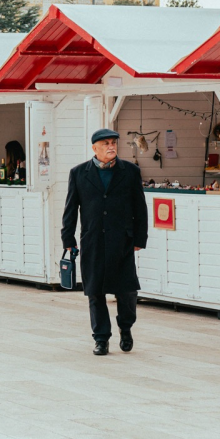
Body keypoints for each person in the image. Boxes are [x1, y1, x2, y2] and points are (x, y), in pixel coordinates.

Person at [61, 128, 148, 356]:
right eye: (106, 143)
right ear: (95, 148)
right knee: (95, 291)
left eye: (113, 143)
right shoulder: (79, 173)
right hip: (93, 241)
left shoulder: (130, 171)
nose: (111, 147)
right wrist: (67, 238)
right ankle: (101, 338)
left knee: (127, 291)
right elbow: (71, 208)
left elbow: (140, 208)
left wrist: (140, 238)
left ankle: (126, 327)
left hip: (123, 242)